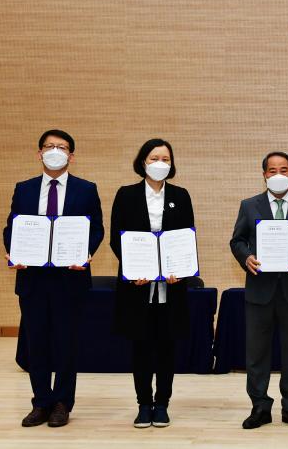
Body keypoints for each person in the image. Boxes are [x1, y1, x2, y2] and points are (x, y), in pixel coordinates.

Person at [3, 129, 104, 427]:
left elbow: (96, 228)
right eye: (49, 146)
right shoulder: (24, 189)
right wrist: (13, 251)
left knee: (66, 344)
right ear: (39, 153)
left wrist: (86, 253)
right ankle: (41, 402)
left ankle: (62, 403)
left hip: (70, 279)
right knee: (36, 343)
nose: (55, 151)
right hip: (33, 279)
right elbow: (12, 227)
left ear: (71, 156)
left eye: (62, 147)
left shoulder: (86, 189)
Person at [110, 138, 194, 428]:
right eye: (154, 158)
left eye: (165, 159)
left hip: (171, 285)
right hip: (138, 286)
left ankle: (162, 404)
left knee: (167, 346)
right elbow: (117, 238)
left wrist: (180, 269)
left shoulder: (181, 195)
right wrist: (134, 269)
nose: (160, 163)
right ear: (143, 162)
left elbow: (186, 238)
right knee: (141, 346)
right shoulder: (126, 194)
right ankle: (143, 404)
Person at [230, 151, 288, 429]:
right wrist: (246, 257)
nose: (278, 174)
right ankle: (259, 407)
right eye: (272, 170)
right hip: (259, 291)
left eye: (284, 170)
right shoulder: (249, 205)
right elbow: (237, 240)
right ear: (264, 175)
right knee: (256, 354)